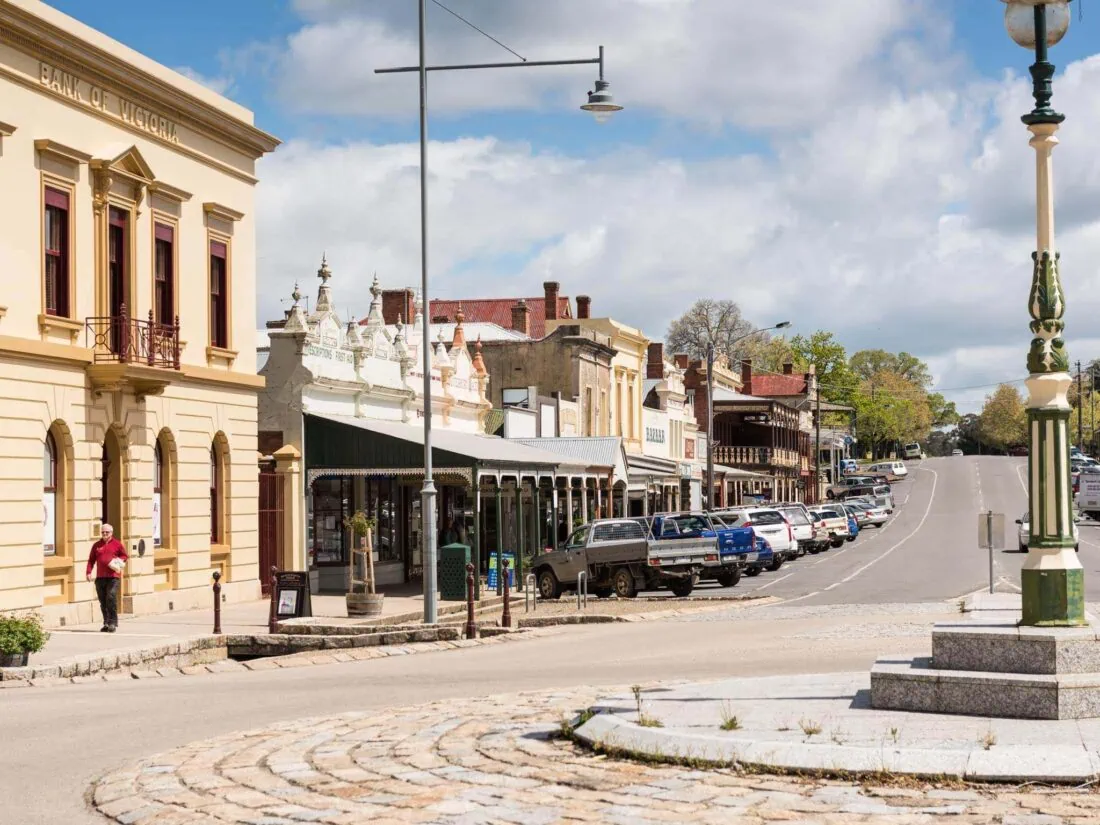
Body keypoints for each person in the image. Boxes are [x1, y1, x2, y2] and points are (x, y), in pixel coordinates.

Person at [86, 523, 127, 633]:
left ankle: (113, 622)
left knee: (111, 597)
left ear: (111, 533)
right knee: (103, 601)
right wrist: (88, 572)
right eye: (103, 532)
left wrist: (118, 561)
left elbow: (124, 556)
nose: (104, 534)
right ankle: (106, 622)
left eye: (107, 532)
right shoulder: (96, 545)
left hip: (113, 576)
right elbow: (91, 560)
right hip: (100, 577)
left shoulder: (117, 544)